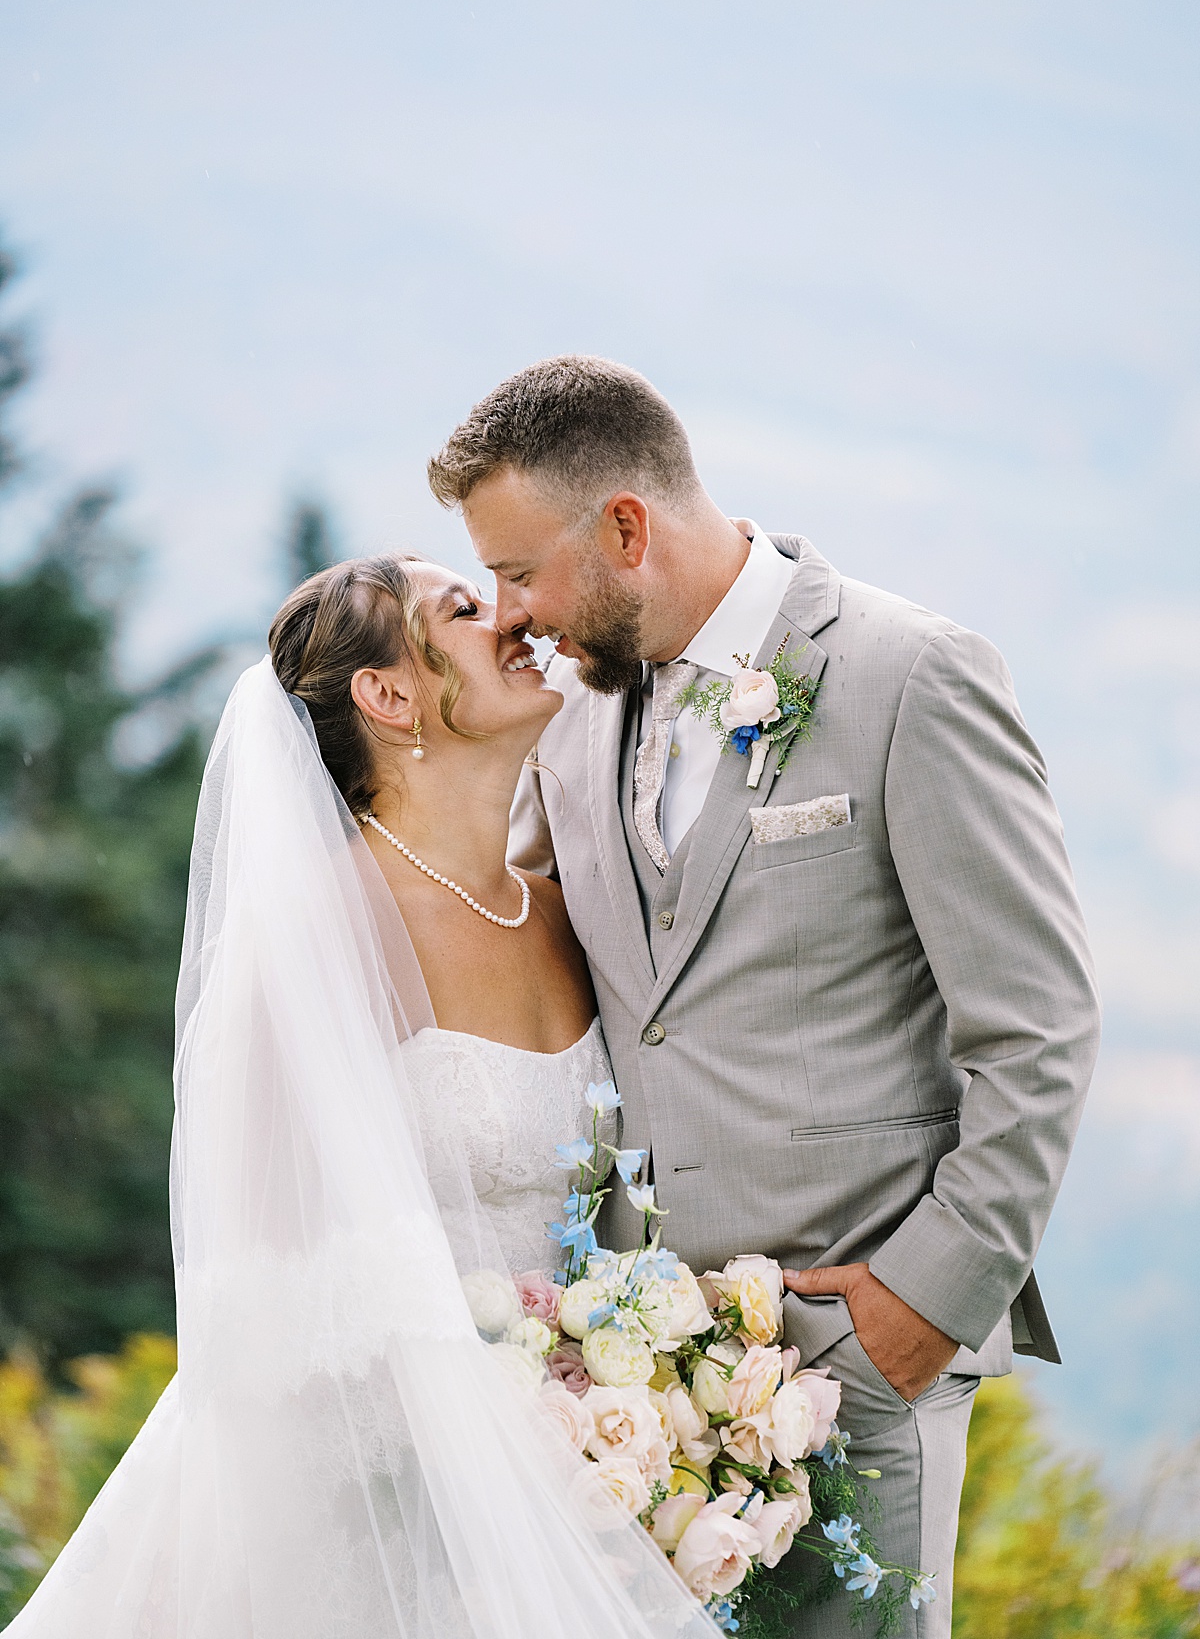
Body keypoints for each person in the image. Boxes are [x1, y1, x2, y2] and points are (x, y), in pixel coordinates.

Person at [428, 354, 1103, 1637]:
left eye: (520, 573)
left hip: (861, 1366)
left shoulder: (914, 676)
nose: (511, 615)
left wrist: (927, 1303)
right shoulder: (571, 724)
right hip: (631, 1395)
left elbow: (1041, 1026)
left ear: (626, 527)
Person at [6, 553, 716, 1639]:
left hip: (568, 1489)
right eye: (467, 612)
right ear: (387, 696)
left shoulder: (568, 914)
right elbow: (266, 1305)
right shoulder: (310, 937)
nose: (517, 621)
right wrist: (490, 1473)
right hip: (363, 1518)